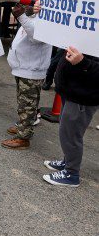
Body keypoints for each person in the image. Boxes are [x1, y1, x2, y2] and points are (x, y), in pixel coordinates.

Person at [42, 47, 98, 187]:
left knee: (71, 135)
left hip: (84, 95)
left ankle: (71, 173)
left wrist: (83, 62)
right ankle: (68, 162)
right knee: (67, 131)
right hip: (72, 90)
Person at [1, 0, 51, 150]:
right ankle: (24, 127)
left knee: (27, 104)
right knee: (25, 102)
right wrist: (27, 13)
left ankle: (23, 137)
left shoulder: (48, 18)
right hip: (25, 67)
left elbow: (37, 37)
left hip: (31, 70)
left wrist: (22, 16)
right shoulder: (38, 15)